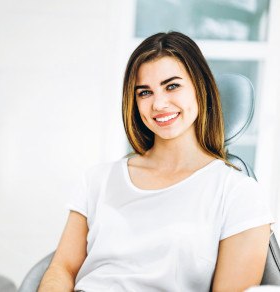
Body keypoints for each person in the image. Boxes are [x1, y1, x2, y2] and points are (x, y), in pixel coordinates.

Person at [38, 31, 275, 292]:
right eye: (144, 92)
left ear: (200, 88)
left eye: (172, 86)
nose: (159, 103)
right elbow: (62, 269)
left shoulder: (238, 193)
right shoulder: (98, 180)